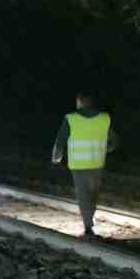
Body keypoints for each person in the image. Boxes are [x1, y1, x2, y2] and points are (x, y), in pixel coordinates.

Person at [52, 93, 118, 239]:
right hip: (97, 163)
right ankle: (90, 220)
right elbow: (114, 142)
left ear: (80, 103)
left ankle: (88, 227)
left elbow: (60, 140)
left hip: (78, 164)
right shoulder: (104, 118)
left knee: (83, 194)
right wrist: (104, 149)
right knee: (93, 193)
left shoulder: (71, 118)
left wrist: (56, 157)